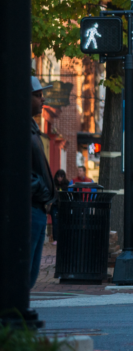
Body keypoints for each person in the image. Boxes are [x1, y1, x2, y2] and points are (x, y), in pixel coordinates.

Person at [30, 76, 55, 289]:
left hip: (38, 210)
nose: (42, 99)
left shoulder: (32, 129)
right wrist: (42, 191)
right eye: (37, 95)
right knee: (24, 272)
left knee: (30, 274)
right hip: (30, 210)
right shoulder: (19, 129)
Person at [51, 168, 69, 245]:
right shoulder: (53, 184)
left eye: (61, 176)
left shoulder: (67, 185)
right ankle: (56, 239)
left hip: (63, 205)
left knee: (63, 222)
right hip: (55, 205)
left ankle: (63, 238)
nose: (60, 178)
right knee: (55, 222)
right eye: (58, 176)